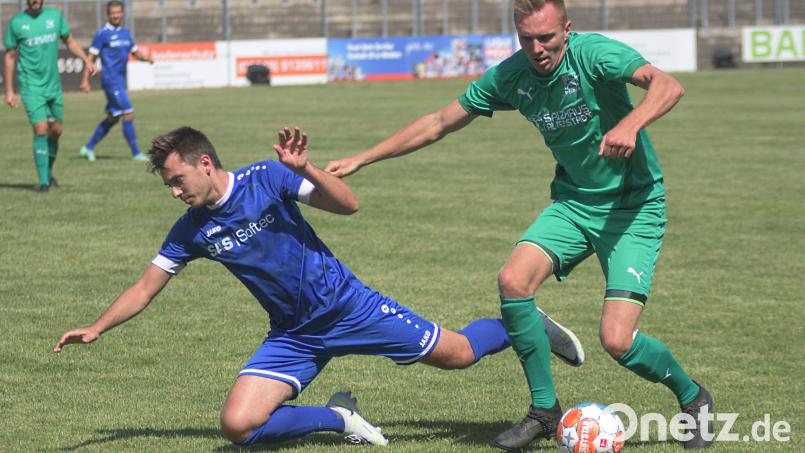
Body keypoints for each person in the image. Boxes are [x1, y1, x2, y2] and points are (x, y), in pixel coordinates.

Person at [325, 0, 714, 449]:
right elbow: (437, 122)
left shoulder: (595, 54)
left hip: (632, 209)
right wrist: (362, 157)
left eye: (546, 37)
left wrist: (630, 124)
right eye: (526, 38)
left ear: (566, 29)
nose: (537, 48)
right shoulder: (513, 75)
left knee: (617, 341)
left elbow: (666, 86)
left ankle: (693, 398)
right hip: (573, 204)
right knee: (512, 281)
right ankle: (545, 412)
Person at [54, 126, 584, 447]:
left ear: (205, 164)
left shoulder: (269, 178)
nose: (173, 192)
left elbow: (348, 204)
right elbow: (145, 288)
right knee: (238, 426)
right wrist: (97, 327)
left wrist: (306, 168)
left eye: (176, 180)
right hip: (293, 336)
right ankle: (339, 419)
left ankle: (523, 322)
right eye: (169, 184)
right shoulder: (191, 230)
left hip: (351, 307)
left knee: (461, 354)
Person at [4, 0, 97, 192]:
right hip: (31, 87)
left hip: (53, 87)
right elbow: (10, 56)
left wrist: (86, 60)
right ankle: (44, 182)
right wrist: (10, 90)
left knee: (56, 131)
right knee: (41, 129)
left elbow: (69, 41)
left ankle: (48, 171)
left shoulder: (54, 17)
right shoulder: (17, 23)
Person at [79, 0, 153, 162]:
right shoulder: (102, 34)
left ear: (122, 13)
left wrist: (146, 58)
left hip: (121, 82)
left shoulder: (125, 33)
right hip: (110, 81)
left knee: (113, 118)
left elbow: (134, 52)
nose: (116, 15)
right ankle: (136, 153)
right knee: (128, 112)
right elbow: (90, 58)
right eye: (113, 13)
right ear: (108, 14)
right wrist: (85, 80)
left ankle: (87, 148)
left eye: (118, 12)